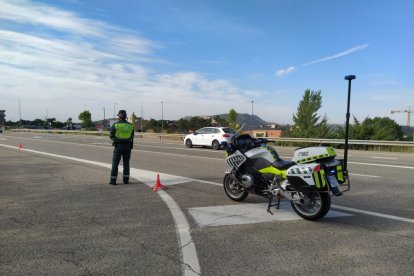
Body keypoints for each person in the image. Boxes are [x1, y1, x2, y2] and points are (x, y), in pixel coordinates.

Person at [109, 110, 134, 185]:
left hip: (118, 146)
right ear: (126, 116)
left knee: (115, 163)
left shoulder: (115, 125)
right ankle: (126, 180)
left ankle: (113, 180)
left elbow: (111, 135)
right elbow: (132, 136)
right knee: (126, 163)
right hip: (128, 146)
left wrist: (114, 140)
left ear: (119, 116)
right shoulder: (131, 125)